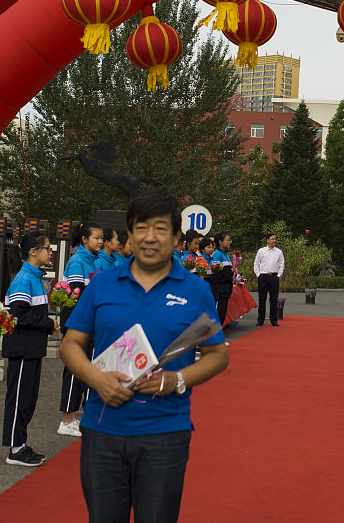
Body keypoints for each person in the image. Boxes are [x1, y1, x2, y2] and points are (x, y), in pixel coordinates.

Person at [59, 190, 230, 523]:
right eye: (141, 228)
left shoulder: (195, 291)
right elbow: (70, 344)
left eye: (160, 229)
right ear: (130, 233)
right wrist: (97, 379)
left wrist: (177, 379)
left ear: (176, 236)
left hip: (165, 432)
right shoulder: (102, 283)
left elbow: (217, 355)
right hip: (103, 429)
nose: (150, 238)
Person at [1, 231, 58, 467]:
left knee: (29, 398)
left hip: (32, 348)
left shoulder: (35, 277)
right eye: (46, 248)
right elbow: (19, 314)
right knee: (19, 399)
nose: (50, 252)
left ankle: (21, 444)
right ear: (32, 252)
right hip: (22, 349)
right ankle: (15, 448)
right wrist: (47, 324)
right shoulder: (23, 278)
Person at [59, 222, 104, 437]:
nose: (100, 241)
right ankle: (67, 420)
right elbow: (78, 299)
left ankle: (84, 415)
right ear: (84, 239)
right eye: (96, 237)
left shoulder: (94, 261)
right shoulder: (77, 262)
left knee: (87, 370)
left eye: (102, 238)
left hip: (90, 326)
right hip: (78, 327)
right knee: (74, 371)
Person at [253, 233, 285, 327]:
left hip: (274, 277)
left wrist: (279, 275)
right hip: (263, 277)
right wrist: (258, 274)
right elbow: (256, 264)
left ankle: (273, 320)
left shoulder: (279, 252)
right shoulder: (261, 251)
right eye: (272, 239)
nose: (274, 240)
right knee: (262, 299)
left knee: (274, 299)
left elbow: (282, 264)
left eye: (275, 239)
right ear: (267, 240)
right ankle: (260, 319)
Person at [207, 232, 235, 327]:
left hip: (226, 290)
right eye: (227, 240)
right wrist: (229, 277)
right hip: (219, 290)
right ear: (220, 242)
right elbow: (216, 275)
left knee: (222, 315)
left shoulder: (226, 255)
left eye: (230, 240)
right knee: (218, 315)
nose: (229, 242)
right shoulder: (217, 255)